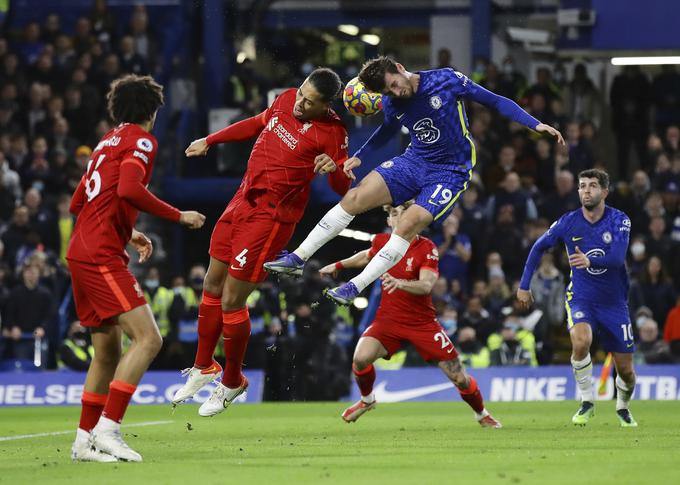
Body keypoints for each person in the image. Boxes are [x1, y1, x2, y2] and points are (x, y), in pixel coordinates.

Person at [264, 56, 564, 305]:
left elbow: (495, 101)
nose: (396, 92)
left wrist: (534, 124)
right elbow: (387, 131)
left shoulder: (446, 79)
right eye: (389, 92)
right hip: (415, 160)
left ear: (399, 67)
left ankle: (354, 286)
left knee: (407, 224)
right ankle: (298, 258)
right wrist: (360, 154)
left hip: (451, 170)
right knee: (354, 198)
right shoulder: (392, 103)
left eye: (395, 85)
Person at [171, 68, 352, 417]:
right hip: (241, 200)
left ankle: (233, 381)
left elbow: (343, 190)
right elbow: (255, 123)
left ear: (324, 106)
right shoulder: (284, 99)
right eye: (300, 94)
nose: (300, 103)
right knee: (210, 283)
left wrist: (336, 169)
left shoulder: (333, 133)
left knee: (232, 300)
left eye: (309, 102)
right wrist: (211, 140)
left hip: (271, 218)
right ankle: (204, 367)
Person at [67, 74, 206, 463]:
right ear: (153, 111)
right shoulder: (141, 141)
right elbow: (128, 190)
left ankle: (82, 442)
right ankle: (109, 429)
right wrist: (179, 216)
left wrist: (129, 232)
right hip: (99, 256)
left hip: (80, 251)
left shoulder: (104, 143)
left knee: (106, 353)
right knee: (149, 339)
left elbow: (80, 201)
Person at [320, 203, 501, 427]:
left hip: (422, 323)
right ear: (389, 221)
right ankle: (367, 400)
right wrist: (338, 265)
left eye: (404, 214)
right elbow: (367, 256)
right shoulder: (381, 242)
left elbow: (426, 285)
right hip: (389, 320)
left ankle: (481, 414)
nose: (399, 218)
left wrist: (400, 283)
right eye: (394, 214)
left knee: (459, 378)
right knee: (360, 359)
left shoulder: (427, 248)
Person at [517, 169, 637, 427]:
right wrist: (524, 285)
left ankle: (623, 407)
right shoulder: (568, 222)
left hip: (614, 302)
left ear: (604, 191)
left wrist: (588, 259)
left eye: (593, 186)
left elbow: (617, 259)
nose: (586, 190)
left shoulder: (619, 220)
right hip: (581, 297)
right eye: (582, 186)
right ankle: (587, 401)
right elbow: (538, 247)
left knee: (626, 371)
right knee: (581, 341)